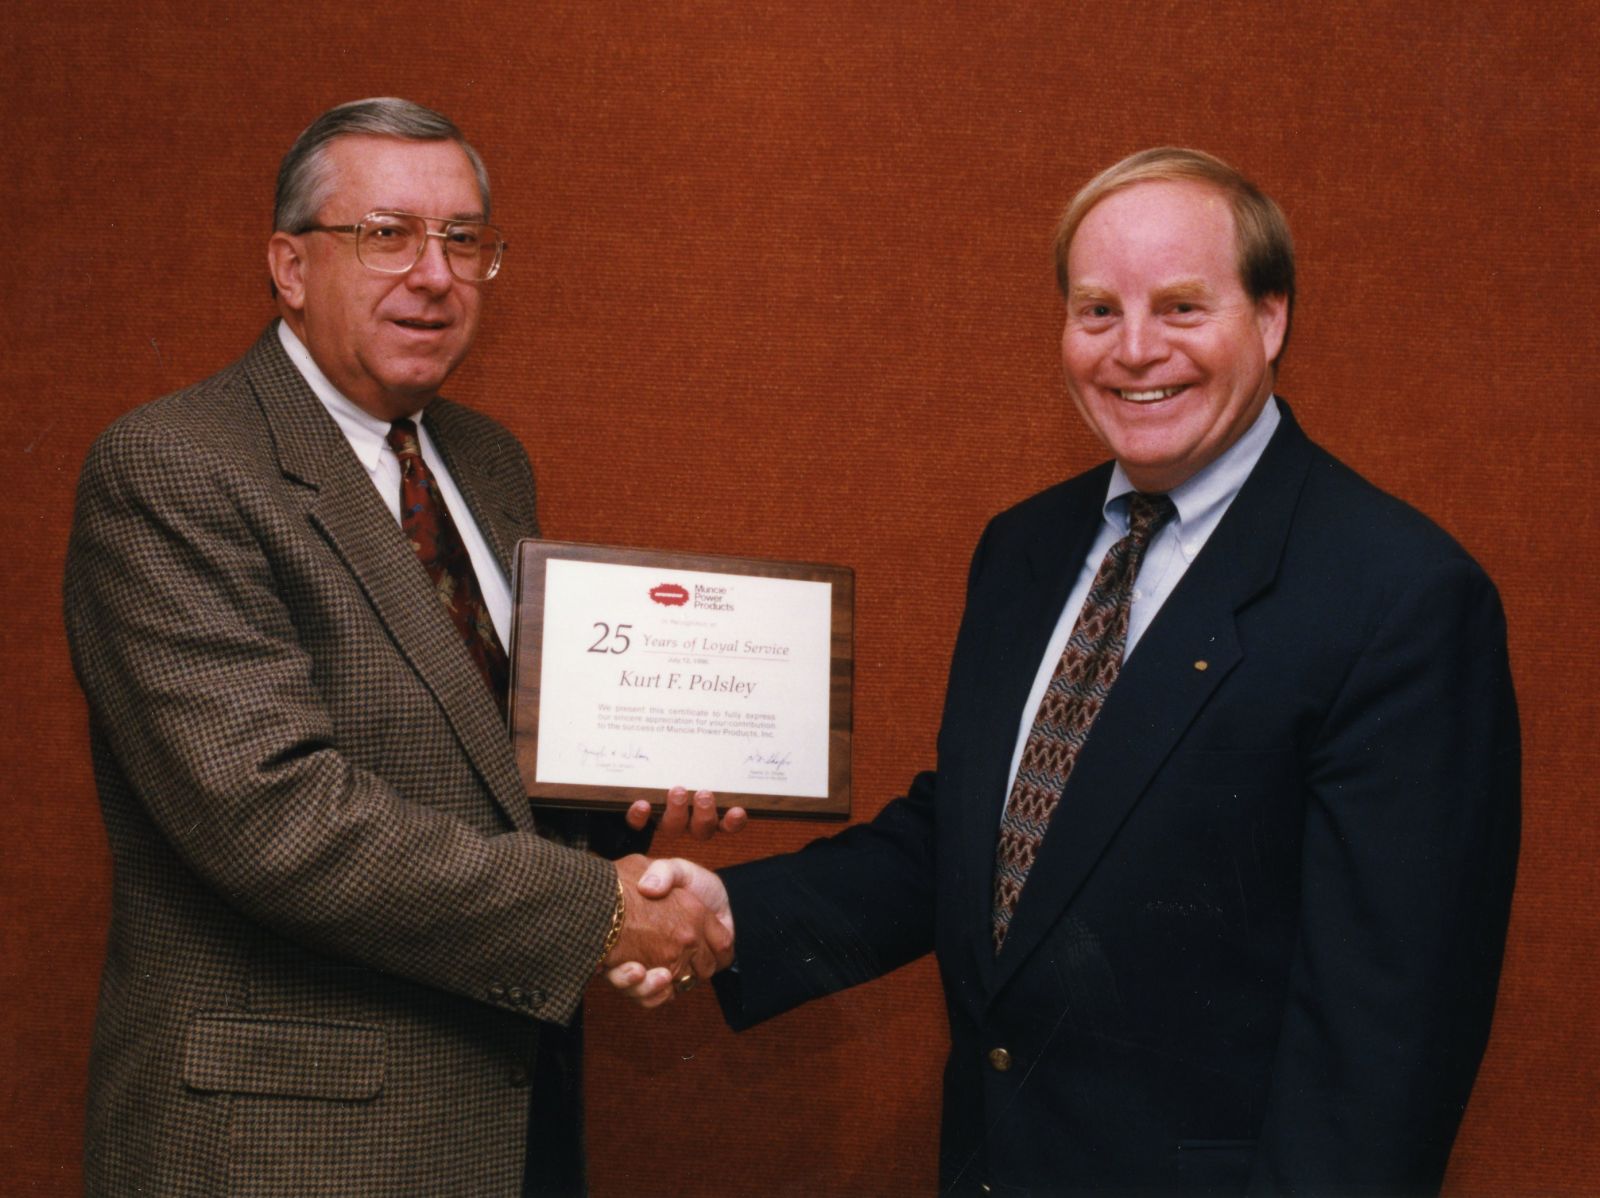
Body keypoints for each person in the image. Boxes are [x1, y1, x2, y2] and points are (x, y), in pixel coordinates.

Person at [614, 148, 1520, 1195]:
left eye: (1181, 307)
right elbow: (978, 840)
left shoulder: (1397, 595)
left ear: (1270, 319)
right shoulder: (1026, 549)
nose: (1135, 351)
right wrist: (727, 918)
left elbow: (1389, 1040)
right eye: (1097, 311)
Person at [63, 97, 739, 1196]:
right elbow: (276, 818)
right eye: (386, 234)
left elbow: (490, 763)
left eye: (464, 238)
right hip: (287, 1147)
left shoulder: (486, 461)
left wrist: (634, 790)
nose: (434, 273)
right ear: (288, 265)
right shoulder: (175, 467)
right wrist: (608, 910)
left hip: (508, 1114)